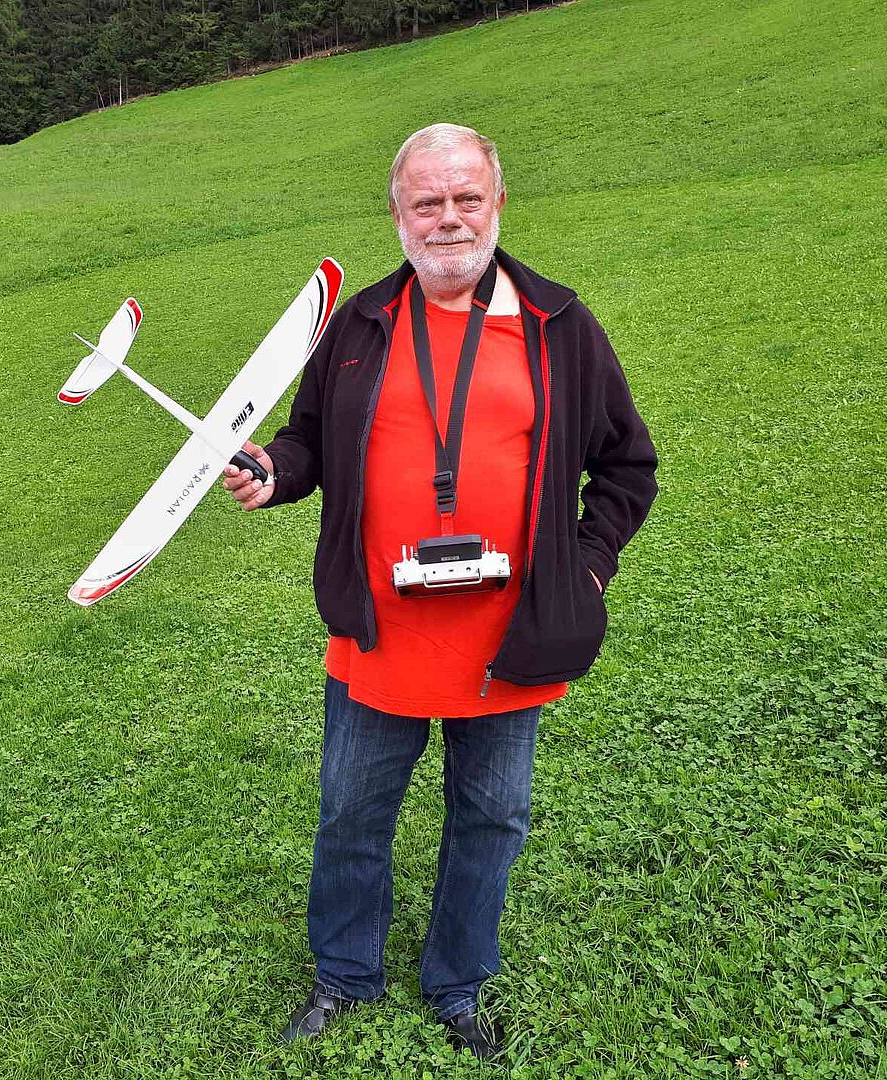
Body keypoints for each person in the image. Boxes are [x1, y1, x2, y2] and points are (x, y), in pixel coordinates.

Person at [221, 123, 659, 1060]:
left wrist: (585, 567)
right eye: (428, 201)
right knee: (351, 815)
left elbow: (627, 466)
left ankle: (457, 984)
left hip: (510, 635)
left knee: (491, 817)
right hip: (380, 631)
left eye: (467, 197)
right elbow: (308, 441)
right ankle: (344, 976)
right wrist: (275, 471)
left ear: (498, 203)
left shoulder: (560, 325)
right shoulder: (358, 325)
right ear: (398, 213)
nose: (448, 217)